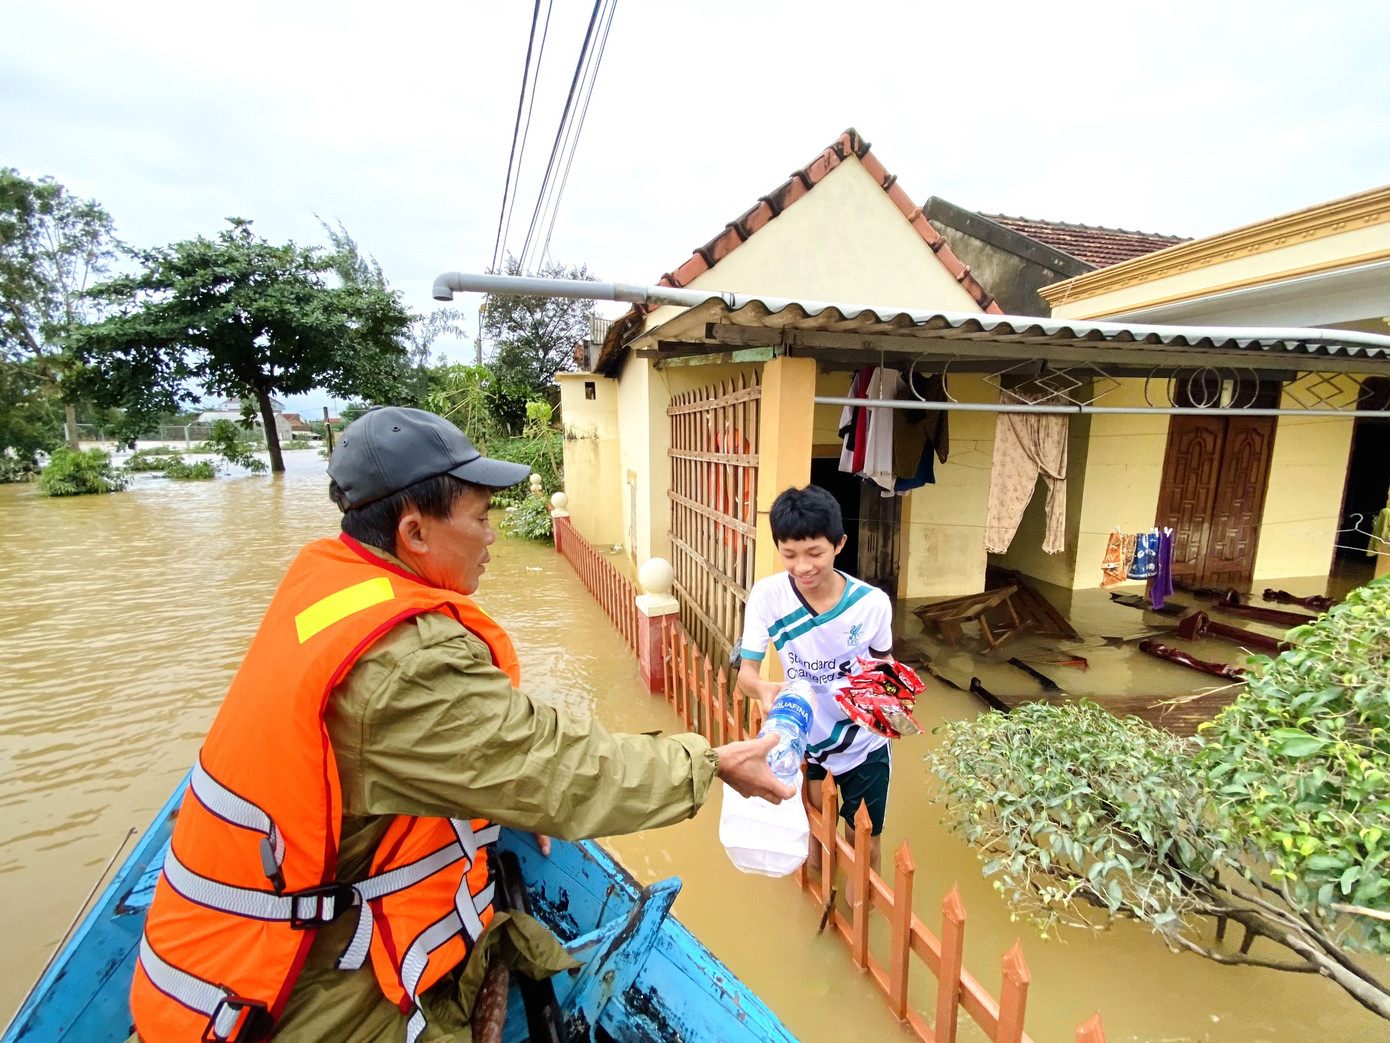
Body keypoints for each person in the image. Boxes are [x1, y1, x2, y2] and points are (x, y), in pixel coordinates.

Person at [129, 406, 794, 1043]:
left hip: (216, 958)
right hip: (288, 997)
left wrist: (504, 794)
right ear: (414, 532)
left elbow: (504, 752)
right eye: (479, 517)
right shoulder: (407, 663)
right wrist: (709, 763)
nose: (493, 536)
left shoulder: (334, 587)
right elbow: (560, 771)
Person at [736, 484, 895, 880]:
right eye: (789, 554)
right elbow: (746, 676)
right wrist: (762, 690)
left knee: (865, 838)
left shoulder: (871, 603)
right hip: (803, 737)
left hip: (864, 741)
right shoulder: (767, 596)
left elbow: (885, 665)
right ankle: (821, 891)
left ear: (839, 544)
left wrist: (895, 701)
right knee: (812, 829)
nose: (803, 566)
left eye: (815, 553)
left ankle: (861, 909)